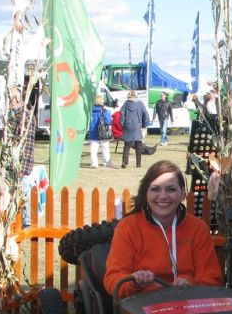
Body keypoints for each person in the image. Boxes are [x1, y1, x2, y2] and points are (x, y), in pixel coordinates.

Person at [103, 160, 222, 299]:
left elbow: (213, 280)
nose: (163, 196)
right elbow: (112, 281)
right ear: (145, 193)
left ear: (183, 193)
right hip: (142, 310)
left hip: (188, 307)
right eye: (155, 189)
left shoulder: (198, 229)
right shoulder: (127, 228)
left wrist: (190, 283)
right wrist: (134, 282)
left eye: (171, 189)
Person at [4, 88, 37, 228]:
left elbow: (27, 143)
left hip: (21, 161)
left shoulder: (26, 116)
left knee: (23, 192)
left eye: (10, 98)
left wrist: (23, 166)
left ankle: (27, 222)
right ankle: (12, 219)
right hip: (9, 160)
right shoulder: (9, 114)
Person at [119, 90, 150, 169]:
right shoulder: (140, 104)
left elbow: (121, 115)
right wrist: (144, 125)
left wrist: (122, 124)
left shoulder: (125, 104)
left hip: (127, 126)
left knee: (127, 145)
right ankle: (138, 163)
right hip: (137, 126)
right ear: (136, 95)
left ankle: (124, 162)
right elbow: (145, 114)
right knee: (138, 146)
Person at [89, 95, 117, 169]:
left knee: (93, 150)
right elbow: (108, 121)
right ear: (102, 102)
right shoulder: (104, 111)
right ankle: (107, 162)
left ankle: (94, 164)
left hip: (93, 133)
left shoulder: (90, 111)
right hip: (103, 133)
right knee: (105, 149)